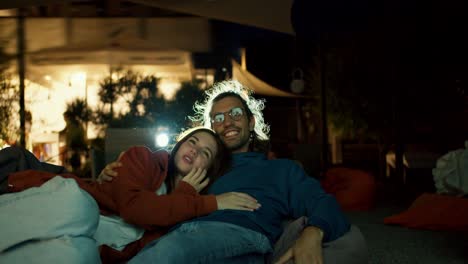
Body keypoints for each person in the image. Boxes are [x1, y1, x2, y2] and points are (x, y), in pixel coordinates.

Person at [102, 80, 367, 264]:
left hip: (237, 236)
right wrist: (116, 176)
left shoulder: (280, 169)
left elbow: (323, 203)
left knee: (350, 242)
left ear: (251, 121)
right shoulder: (200, 168)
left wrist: (313, 233)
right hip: (179, 234)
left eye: (235, 114)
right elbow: (154, 184)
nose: (226, 121)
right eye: (217, 118)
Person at [0, 127, 260, 263]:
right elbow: (135, 210)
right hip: (55, 206)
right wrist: (205, 201)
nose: (195, 149)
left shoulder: (184, 216)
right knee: (81, 206)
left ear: (208, 170)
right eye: (193, 141)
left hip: (79, 243)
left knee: (80, 256)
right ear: (179, 144)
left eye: (205, 152)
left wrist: (188, 198)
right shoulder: (142, 158)